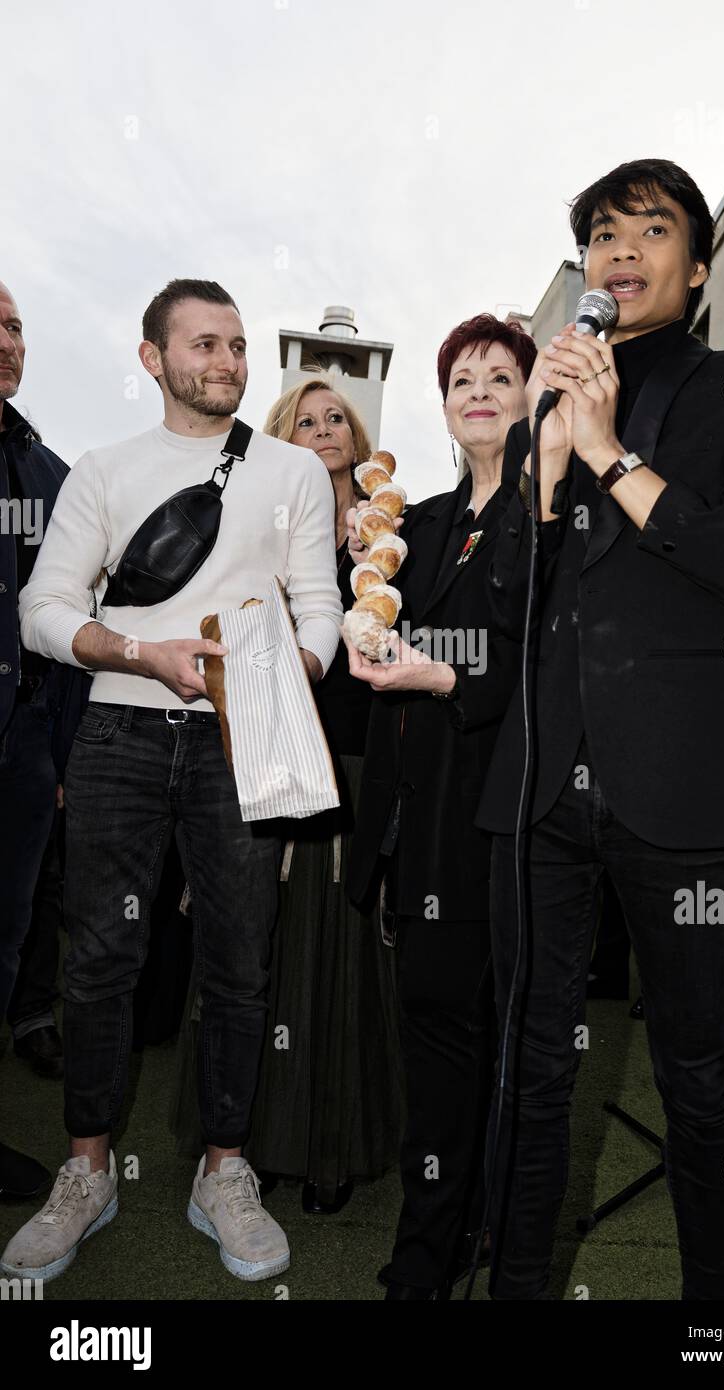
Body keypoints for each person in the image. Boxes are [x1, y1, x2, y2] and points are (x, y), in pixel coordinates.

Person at [477, 158, 724, 1300]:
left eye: (650, 227)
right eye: (599, 232)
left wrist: (612, 453)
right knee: (529, 1068)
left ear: (699, 265)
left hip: (680, 787)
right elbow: (500, 607)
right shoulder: (548, 405)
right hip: (540, 781)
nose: (618, 249)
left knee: (698, 1075)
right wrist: (539, 468)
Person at [2, 279, 343, 1285]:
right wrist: (138, 651)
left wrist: (289, 676)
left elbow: (319, 602)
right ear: (153, 358)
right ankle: (88, 1169)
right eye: (204, 344)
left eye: (238, 344)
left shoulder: (291, 471)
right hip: (118, 729)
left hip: (253, 734)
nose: (228, 361)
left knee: (240, 960)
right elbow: (42, 609)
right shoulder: (103, 470)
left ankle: (222, 1170)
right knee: (103, 958)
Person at [171, 376, 404, 1214]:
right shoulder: (260, 528)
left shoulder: (392, 536)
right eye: (302, 421)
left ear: (356, 432)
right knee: (252, 951)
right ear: (281, 438)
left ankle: (331, 1148)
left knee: (340, 961)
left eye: (335, 417)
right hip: (268, 752)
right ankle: (248, 1145)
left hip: (355, 760)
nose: (322, 430)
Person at [345, 313, 535, 1299]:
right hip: (409, 825)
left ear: (527, 396)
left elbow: (536, 666)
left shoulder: (543, 519)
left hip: (490, 823)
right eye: (461, 375)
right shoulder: (416, 524)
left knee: (480, 1043)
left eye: (499, 374)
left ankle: (443, 1252)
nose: (477, 388)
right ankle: (445, 1233)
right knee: (435, 1038)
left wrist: (444, 676)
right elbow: (370, 630)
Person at [0, 280, 86, 1196]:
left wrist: (55, 756)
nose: (7, 341)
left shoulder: (51, 476)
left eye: (16, 326)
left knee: (9, 929)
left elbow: (67, 622)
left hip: (24, 739)